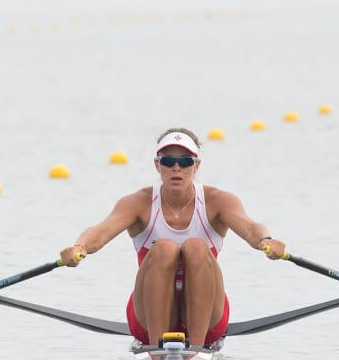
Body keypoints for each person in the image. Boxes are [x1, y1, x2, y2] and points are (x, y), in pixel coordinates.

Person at [60, 127, 286, 347]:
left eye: (185, 161)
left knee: (196, 247)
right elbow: (101, 231)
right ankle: (157, 349)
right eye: (168, 161)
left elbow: (249, 227)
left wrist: (265, 240)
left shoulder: (218, 201)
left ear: (196, 166)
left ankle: (196, 349)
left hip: (208, 319)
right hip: (147, 318)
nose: (176, 168)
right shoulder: (138, 202)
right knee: (165, 248)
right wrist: (80, 247)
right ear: (157, 165)